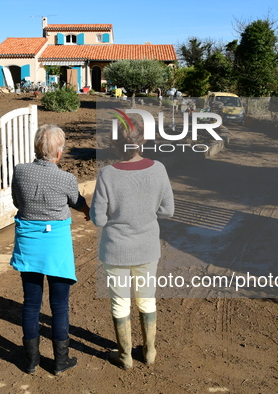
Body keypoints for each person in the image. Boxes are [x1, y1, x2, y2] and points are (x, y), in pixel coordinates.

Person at [90, 118, 174, 369]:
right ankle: (149, 352)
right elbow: (168, 210)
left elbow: (98, 219)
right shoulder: (158, 169)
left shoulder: (107, 174)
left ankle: (125, 356)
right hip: (147, 248)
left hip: (116, 250)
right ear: (143, 140)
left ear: (114, 143)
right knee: (147, 300)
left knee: (120, 302)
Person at [10, 124, 90, 375]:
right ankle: (59, 361)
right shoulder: (66, 178)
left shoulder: (20, 171)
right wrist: (87, 210)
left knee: (31, 304)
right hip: (56, 245)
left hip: (29, 243)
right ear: (58, 153)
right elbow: (77, 202)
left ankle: (32, 360)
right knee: (60, 306)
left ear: (36, 147)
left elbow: (16, 200)